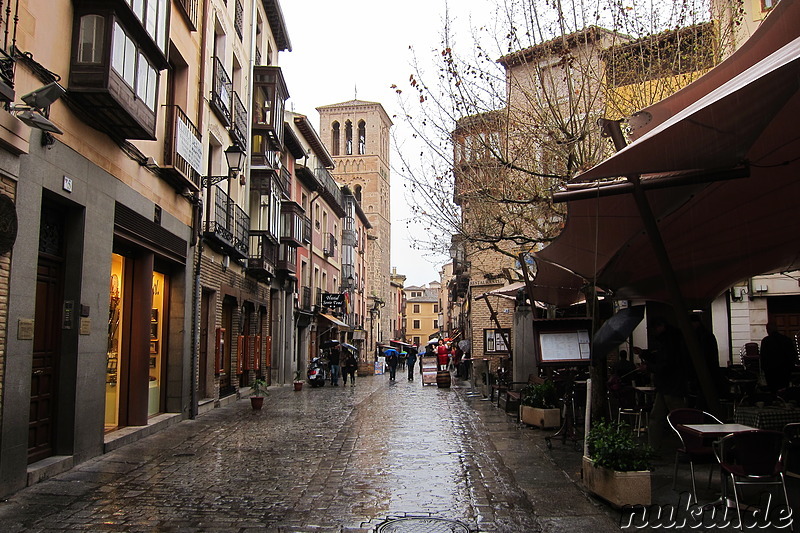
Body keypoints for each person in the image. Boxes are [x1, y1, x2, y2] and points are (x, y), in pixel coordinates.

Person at [642, 317, 691, 451]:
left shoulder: (668, 343)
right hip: (669, 386)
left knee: (674, 417)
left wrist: (649, 366)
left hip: (669, 385)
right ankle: (655, 447)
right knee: (664, 417)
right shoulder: (672, 340)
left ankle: (688, 445)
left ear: (660, 326)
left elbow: (665, 365)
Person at [760, 320, 797, 392]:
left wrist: (764, 368)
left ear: (768, 330)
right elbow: (792, 354)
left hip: (771, 370)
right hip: (784, 369)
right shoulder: (786, 340)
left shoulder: (766, 341)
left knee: (773, 390)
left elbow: (763, 356)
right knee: (784, 389)